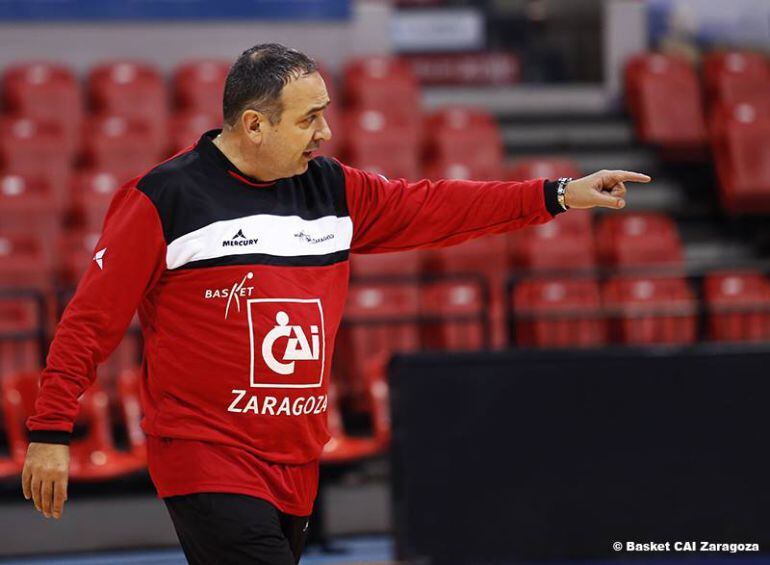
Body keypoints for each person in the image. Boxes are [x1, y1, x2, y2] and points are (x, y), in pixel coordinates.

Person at [21, 43, 650, 564]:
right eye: (308, 118)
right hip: (205, 453)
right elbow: (90, 321)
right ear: (254, 125)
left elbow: (439, 207)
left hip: (298, 456)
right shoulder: (164, 198)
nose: (324, 132)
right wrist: (52, 432)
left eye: (325, 114)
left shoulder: (332, 188)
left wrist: (559, 194)